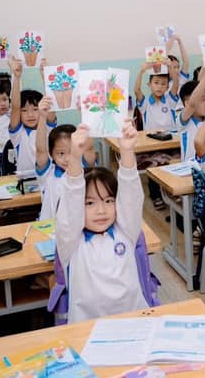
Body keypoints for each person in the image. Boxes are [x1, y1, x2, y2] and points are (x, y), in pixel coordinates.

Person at [55, 121, 148, 322]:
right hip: (87, 331)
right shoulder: (71, 243)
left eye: (108, 201)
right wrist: (75, 157)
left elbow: (131, 194)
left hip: (133, 324)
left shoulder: (126, 231)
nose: (101, 210)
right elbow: (71, 200)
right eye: (89, 203)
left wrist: (127, 151)